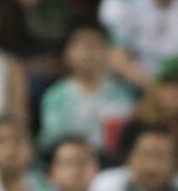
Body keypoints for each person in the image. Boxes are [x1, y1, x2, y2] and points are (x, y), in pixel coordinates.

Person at [37, 24, 137, 160]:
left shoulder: (124, 95)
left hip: (112, 163)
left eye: (95, 45)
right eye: (81, 45)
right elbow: (53, 141)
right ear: (67, 53)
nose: (88, 52)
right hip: (71, 163)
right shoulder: (55, 96)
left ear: (107, 52)